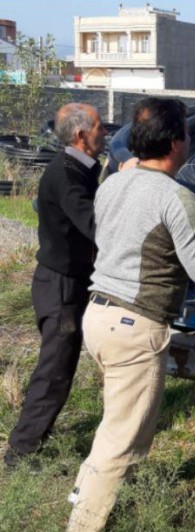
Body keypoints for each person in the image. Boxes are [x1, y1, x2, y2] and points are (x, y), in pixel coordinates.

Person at [65, 97, 195, 532]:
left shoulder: (112, 184)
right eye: (188, 134)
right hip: (136, 326)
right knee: (122, 443)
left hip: (99, 315)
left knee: (114, 426)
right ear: (174, 143)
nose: (191, 141)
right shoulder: (177, 197)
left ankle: (80, 502)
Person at [4, 103, 107, 469]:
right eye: (99, 127)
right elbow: (96, 226)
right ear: (81, 136)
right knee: (55, 369)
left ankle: (31, 437)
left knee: (59, 366)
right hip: (60, 287)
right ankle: (21, 450)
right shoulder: (67, 177)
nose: (105, 133)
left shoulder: (77, 170)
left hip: (61, 280)